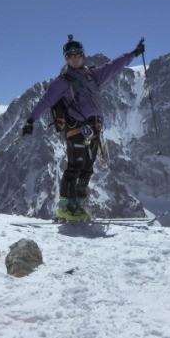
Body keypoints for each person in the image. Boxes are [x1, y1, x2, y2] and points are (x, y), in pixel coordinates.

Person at [22, 35, 145, 221]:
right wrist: (31, 120)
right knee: (74, 167)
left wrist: (133, 54)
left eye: (77, 55)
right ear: (66, 59)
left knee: (87, 168)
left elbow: (114, 66)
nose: (74, 59)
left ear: (83, 55)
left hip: (94, 130)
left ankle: (78, 206)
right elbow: (46, 101)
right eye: (70, 57)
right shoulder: (62, 82)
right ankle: (64, 207)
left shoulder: (93, 75)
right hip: (76, 129)